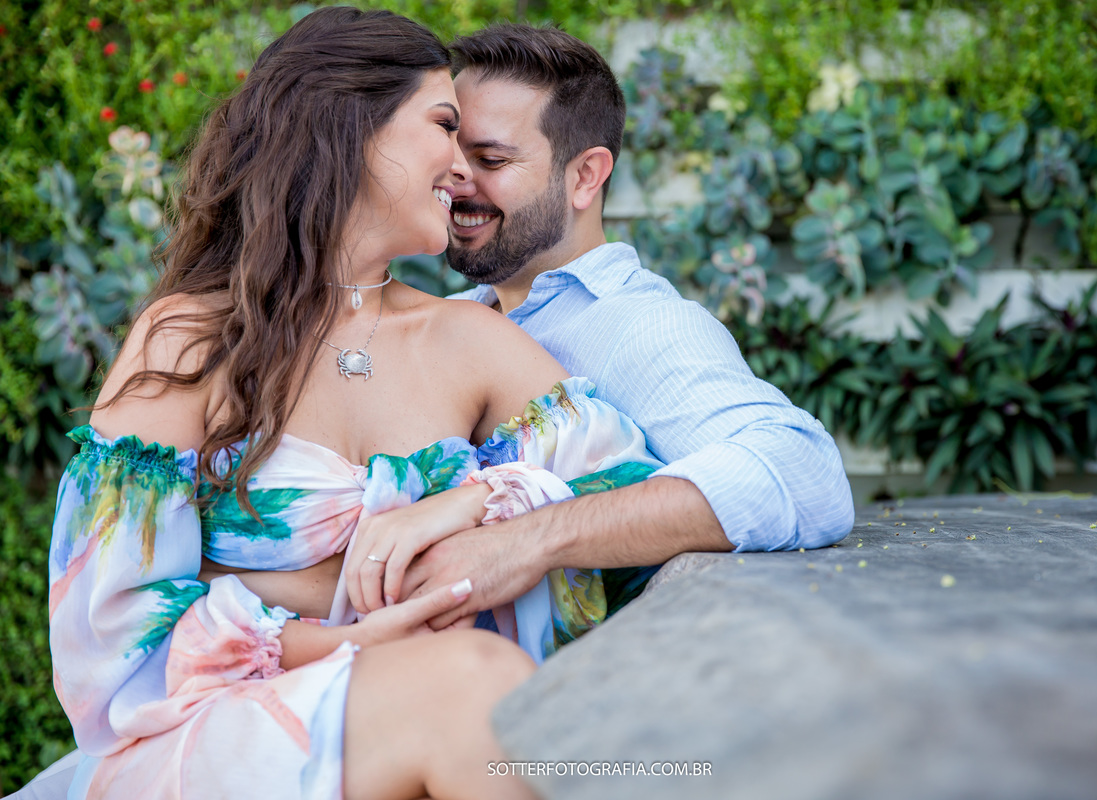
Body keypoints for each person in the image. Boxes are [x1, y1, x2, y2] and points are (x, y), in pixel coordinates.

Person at [46, 8, 664, 800]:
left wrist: (475, 501)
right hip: (217, 732)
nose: (463, 165)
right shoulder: (191, 340)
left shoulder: (470, 341)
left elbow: (635, 506)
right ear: (352, 129)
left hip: (417, 728)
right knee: (467, 682)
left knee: (473, 689)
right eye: (445, 126)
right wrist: (347, 642)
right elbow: (115, 629)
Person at [385, 24, 856, 630]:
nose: (455, 179)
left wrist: (529, 540)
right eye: (452, 155)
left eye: (491, 159)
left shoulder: (639, 324)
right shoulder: (459, 317)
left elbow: (803, 471)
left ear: (585, 176)